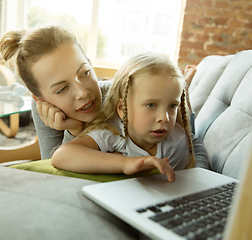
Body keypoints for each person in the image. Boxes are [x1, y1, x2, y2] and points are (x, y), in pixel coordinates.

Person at [0, 25, 209, 174]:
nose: (83, 92)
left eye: (85, 73)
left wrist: (201, 178)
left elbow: (190, 139)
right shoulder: (46, 112)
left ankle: (186, 79)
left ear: (90, 63)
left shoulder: (126, 93)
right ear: (40, 98)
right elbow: (56, 171)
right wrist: (74, 131)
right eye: (62, 89)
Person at [51, 52, 195, 182]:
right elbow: (62, 155)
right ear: (122, 108)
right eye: (151, 105)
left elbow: (194, 147)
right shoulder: (113, 135)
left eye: (172, 106)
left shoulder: (179, 137)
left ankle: (186, 81)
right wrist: (125, 163)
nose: (165, 118)